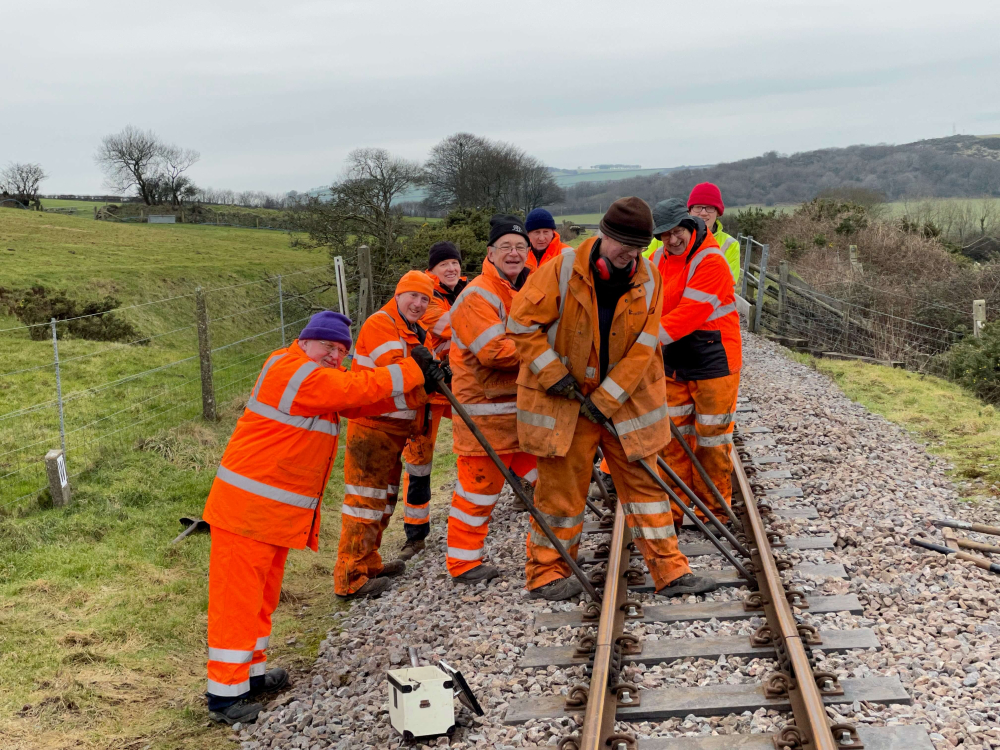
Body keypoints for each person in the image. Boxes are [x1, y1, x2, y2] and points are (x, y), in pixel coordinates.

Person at [201, 311, 433, 725]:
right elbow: (355, 387)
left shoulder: (312, 376)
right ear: (305, 341)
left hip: (268, 514)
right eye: (328, 346)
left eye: (342, 351)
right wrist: (412, 369)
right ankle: (223, 696)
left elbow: (362, 400)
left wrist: (418, 391)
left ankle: (249, 675)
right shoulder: (291, 369)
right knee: (237, 603)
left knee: (261, 598)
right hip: (246, 511)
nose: (335, 356)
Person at [507, 197, 717, 600]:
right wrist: (554, 375)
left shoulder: (650, 279)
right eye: (624, 245)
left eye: (638, 248)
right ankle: (547, 574)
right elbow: (521, 325)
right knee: (560, 494)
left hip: (624, 404)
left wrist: (604, 400)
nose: (630, 255)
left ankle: (670, 571)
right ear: (603, 235)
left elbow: (643, 349)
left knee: (647, 487)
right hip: (565, 402)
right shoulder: (561, 270)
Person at [333, 272, 442, 598]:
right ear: (398, 295)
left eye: (425, 299)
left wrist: (435, 372)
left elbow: (420, 375)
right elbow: (395, 372)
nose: (418, 304)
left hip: (394, 429)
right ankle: (350, 578)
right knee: (364, 504)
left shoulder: (415, 332)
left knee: (382, 503)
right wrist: (424, 371)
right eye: (413, 296)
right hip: (372, 426)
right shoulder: (382, 324)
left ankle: (369, 563)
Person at [445, 215, 537, 583]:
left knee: (549, 484)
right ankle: (464, 564)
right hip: (484, 418)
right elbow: (494, 352)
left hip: (519, 417)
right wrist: (546, 351)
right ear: (490, 253)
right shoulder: (477, 295)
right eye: (506, 247)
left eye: (520, 247)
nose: (514, 253)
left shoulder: (521, 289)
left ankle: (545, 556)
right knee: (478, 494)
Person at [649, 198, 742, 527]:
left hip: (714, 359)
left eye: (677, 232)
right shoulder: (657, 259)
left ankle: (713, 512)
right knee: (672, 439)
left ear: (690, 226)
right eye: (665, 235)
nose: (672, 240)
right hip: (674, 360)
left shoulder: (711, 260)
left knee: (711, 441)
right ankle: (675, 509)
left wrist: (642, 341)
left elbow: (690, 314)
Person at [399, 242, 468, 560]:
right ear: (433, 270)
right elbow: (448, 327)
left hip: (459, 385)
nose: (451, 269)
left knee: (491, 433)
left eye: (455, 263)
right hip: (428, 391)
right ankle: (415, 535)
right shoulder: (424, 295)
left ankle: (522, 488)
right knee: (419, 462)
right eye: (444, 264)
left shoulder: (465, 289)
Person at [642, 183, 740, 285]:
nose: (703, 213)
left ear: (718, 212)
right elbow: (641, 268)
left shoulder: (730, 244)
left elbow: (729, 284)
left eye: (710, 208)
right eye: (698, 207)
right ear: (689, 211)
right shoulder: (663, 238)